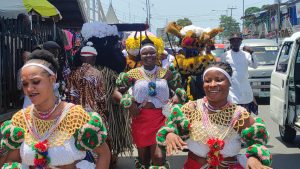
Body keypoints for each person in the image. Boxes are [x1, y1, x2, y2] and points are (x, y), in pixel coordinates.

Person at [0, 49, 110, 168]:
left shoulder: (74, 116)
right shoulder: (21, 119)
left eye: (35, 82)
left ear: (52, 80)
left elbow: (104, 154)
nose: (29, 89)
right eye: (25, 84)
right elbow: (12, 161)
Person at [157, 62, 272, 169]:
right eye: (207, 81)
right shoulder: (191, 108)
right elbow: (170, 128)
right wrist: (170, 134)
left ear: (229, 83)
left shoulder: (239, 114)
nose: (212, 85)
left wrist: (254, 158)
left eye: (219, 80)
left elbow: (258, 141)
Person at [116, 38, 187, 169]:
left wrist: (177, 96)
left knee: (159, 157)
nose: (149, 56)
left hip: (162, 118)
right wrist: (129, 103)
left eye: (152, 53)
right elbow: (116, 92)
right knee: (144, 159)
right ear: (140, 56)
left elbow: (180, 89)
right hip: (141, 119)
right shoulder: (133, 74)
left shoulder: (166, 73)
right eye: (145, 53)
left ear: (157, 54)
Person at [220, 33, 258, 115]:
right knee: (233, 116)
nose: (236, 43)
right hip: (231, 89)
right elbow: (221, 71)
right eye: (233, 41)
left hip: (244, 88)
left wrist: (252, 53)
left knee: (245, 115)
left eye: (238, 41)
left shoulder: (246, 54)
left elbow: (255, 66)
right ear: (231, 43)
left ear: (241, 42)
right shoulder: (225, 56)